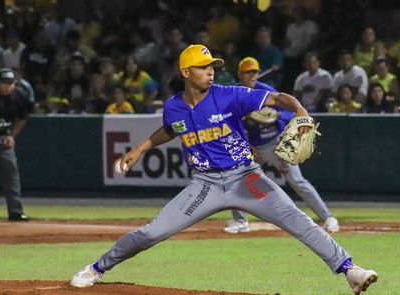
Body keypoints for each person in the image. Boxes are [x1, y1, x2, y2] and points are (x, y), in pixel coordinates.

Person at [70, 45, 378, 294]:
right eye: (204, 67)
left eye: (212, 66)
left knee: (298, 220)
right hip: (204, 187)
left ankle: (349, 270)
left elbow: (275, 98)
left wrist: (298, 109)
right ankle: (97, 268)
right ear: (186, 72)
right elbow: (171, 128)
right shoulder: (174, 106)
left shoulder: (230, 94)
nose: (211, 71)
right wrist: (140, 149)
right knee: (152, 232)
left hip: (248, 180)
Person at [223, 57, 339, 234]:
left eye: (255, 72)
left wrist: (277, 116)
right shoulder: (234, 95)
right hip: (253, 147)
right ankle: (241, 222)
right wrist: (248, 148)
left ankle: (328, 217)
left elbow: (288, 112)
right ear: (240, 74)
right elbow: (230, 127)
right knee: (234, 178)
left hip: (276, 143)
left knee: (297, 181)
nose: (253, 75)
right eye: (248, 72)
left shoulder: (265, 91)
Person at [0, 68, 32, 221]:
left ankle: (15, 212)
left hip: (2, 138)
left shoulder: (20, 95)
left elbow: (22, 118)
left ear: (15, 83)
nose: (7, 86)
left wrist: (11, 136)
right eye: (3, 83)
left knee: (11, 174)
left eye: (10, 83)